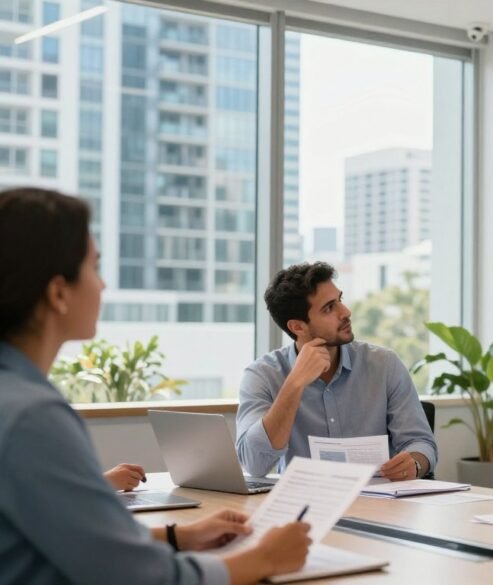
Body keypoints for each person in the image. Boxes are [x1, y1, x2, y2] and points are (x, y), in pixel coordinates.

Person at [0, 187, 311, 584]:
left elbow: (67, 539)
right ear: (58, 292)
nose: (103, 285)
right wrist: (264, 559)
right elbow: (135, 576)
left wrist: (176, 536)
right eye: (95, 268)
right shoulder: (31, 416)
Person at [235, 262, 437, 481]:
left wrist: (415, 463)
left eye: (339, 300)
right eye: (329, 308)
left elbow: (421, 443)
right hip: (304, 507)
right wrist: (295, 383)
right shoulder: (262, 375)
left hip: (381, 503)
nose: (346, 312)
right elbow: (255, 464)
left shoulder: (384, 364)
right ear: (298, 327)